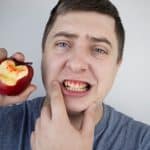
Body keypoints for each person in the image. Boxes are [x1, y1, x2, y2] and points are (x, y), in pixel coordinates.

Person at [0, 0, 150, 150]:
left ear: (117, 65)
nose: (76, 65)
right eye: (63, 44)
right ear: (43, 53)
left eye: (99, 50)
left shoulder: (144, 142)